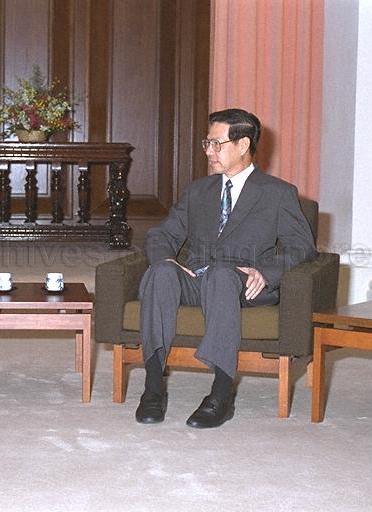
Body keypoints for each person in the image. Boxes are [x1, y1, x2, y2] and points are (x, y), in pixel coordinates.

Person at [135, 108, 316, 428]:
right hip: (197, 279)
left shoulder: (277, 193)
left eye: (216, 144)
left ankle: (221, 394)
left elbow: (301, 246)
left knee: (221, 275)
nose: (208, 151)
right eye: (207, 143)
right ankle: (153, 387)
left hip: (243, 284)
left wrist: (266, 272)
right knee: (160, 272)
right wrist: (168, 259)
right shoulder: (198, 192)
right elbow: (162, 234)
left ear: (243, 144)